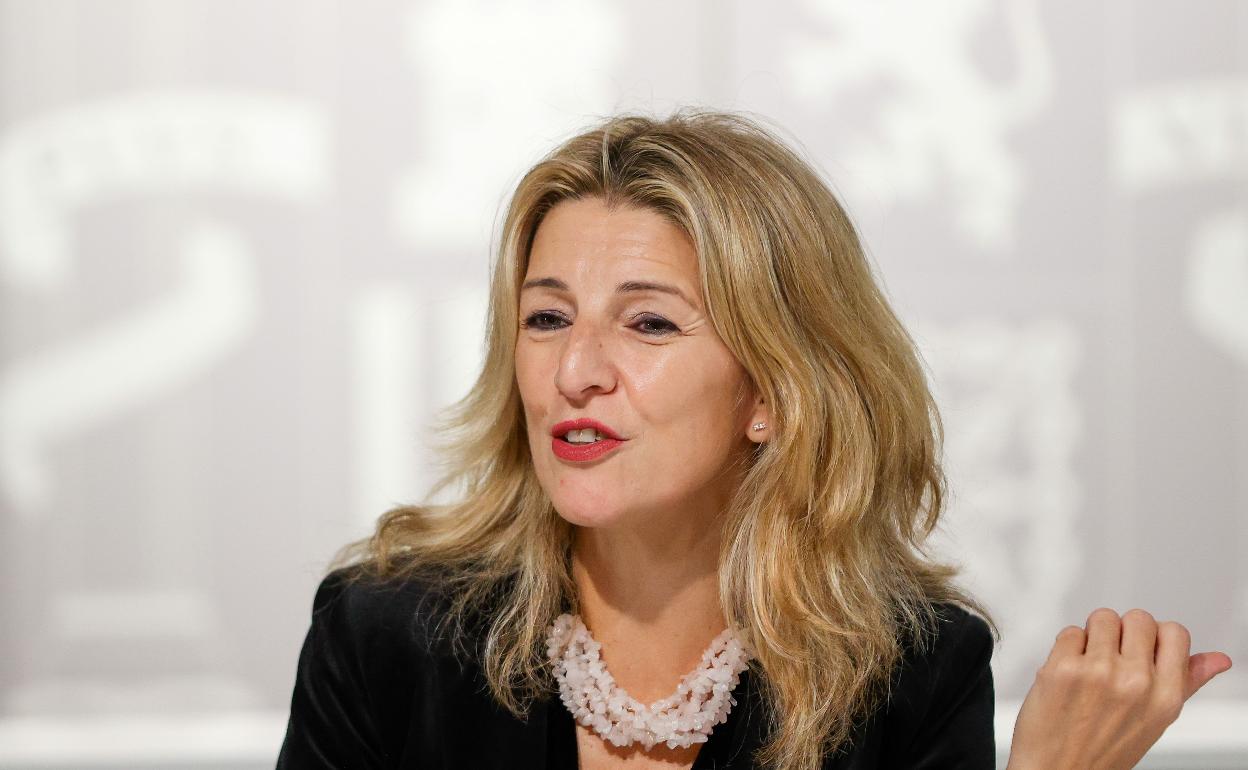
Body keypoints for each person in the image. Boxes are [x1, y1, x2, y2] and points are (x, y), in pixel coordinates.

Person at [276, 110, 1232, 769]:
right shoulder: (385, 637)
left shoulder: (911, 673)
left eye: (649, 324)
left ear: (771, 390)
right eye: (547, 318)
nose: (576, 371)